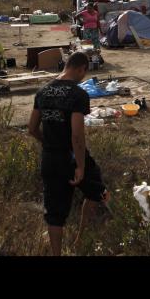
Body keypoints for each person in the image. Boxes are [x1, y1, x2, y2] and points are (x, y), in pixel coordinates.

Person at [28, 52, 110, 256]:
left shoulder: (43, 91)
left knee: (54, 214)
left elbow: (31, 128)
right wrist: (80, 166)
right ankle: (80, 240)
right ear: (81, 68)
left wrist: (47, 144)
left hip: (50, 158)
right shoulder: (77, 94)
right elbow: (77, 136)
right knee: (97, 190)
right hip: (70, 157)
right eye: (84, 72)